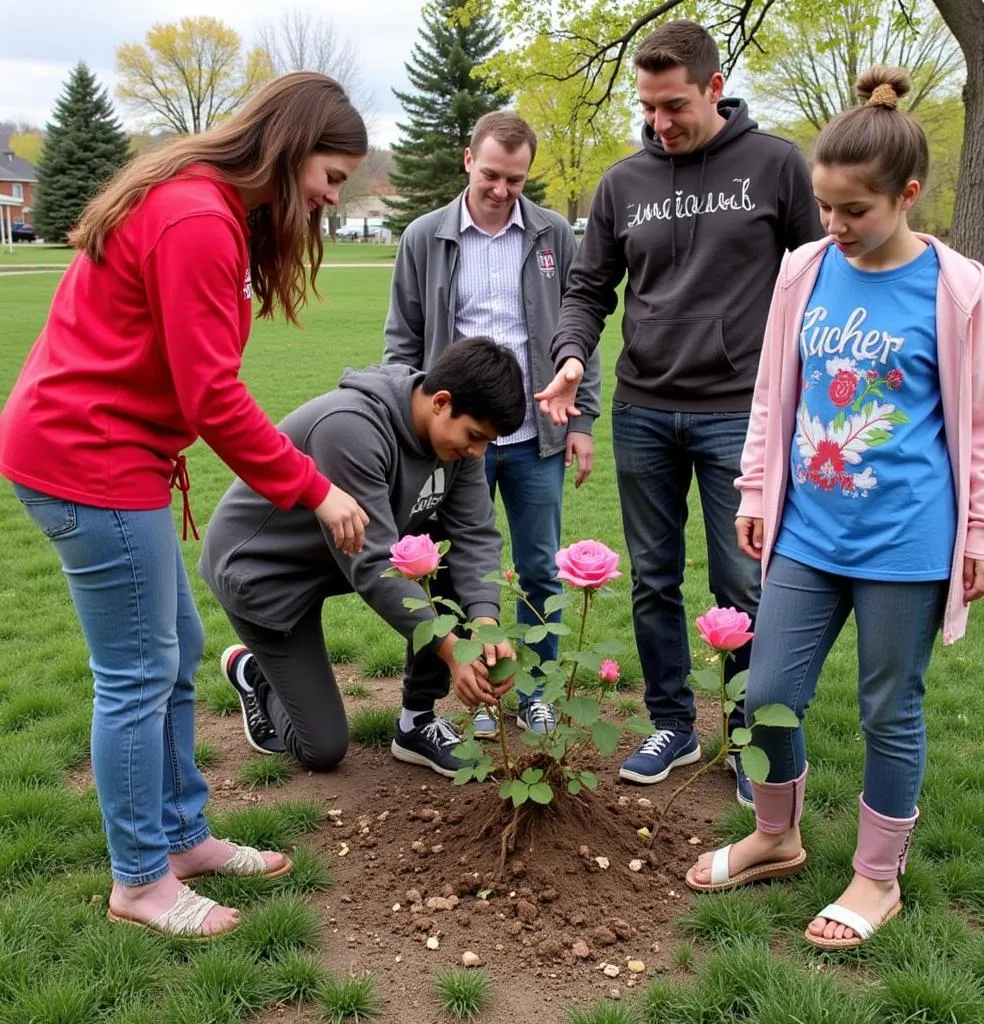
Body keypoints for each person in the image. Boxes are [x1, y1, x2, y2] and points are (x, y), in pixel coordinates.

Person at [0, 72, 372, 939]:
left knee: (176, 651)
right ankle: (140, 879)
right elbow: (213, 398)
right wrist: (316, 490)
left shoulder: (208, 208)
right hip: (87, 459)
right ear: (289, 147)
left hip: (108, 453)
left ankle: (180, 837)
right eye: (331, 174)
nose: (330, 195)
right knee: (133, 676)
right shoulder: (198, 219)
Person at [685, 66, 984, 949]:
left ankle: (878, 880)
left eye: (854, 211)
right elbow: (772, 397)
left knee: (887, 708)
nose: (834, 227)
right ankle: (776, 833)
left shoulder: (956, 287)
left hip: (908, 539)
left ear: (906, 195)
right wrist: (758, 490)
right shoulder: (803, 271)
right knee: (767, 693)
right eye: (824, 208)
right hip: (807, 532)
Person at [535, 20, 822, 799]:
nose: (659, 123)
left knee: (743, 583)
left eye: (674, 106)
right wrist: (569, 358)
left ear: (713, 89)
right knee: (654, 579)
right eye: (649, 107)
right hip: (644, 410)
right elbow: (590, 289)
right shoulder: (624, 182)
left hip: (742, 414)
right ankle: (673, 725)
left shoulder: (776, 165)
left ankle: (750, 740)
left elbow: (819, 277)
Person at [200, 337, 523, 779]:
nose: (478, 453)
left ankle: (417, 722)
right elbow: (373, 564)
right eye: (474, 436)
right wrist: (452, 651)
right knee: (323, 747)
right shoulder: (350, 429)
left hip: (333, 560)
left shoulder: (456, 448)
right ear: (441, 402)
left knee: (438, 555)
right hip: (264, 573)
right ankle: (252, 672)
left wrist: (485, 620)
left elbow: (474, 534)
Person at [384, 111, 601, 740]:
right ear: (467, 161)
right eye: (490, 175)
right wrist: (413, 425)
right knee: (447, 572)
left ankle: (534, 691)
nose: (502, 189)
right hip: (453, 440)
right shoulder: (424, 237)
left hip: (536, 435)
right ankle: (471, 695)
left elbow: (580, 329)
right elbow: (401, 342)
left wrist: (580, 417)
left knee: (538, 568)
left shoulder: (554, 235)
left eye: (515, 179)